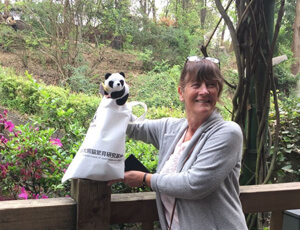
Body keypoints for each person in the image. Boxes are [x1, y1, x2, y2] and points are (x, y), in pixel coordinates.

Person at [108, 56, 248, 230]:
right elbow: (132, 128)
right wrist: (114, 100)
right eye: (196, 85)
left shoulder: (227, 132)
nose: (204, 91)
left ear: (218, 92)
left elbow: (194, 184)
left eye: (211, 85)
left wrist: (145, 178)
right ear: (181, 92)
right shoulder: (171, 128)